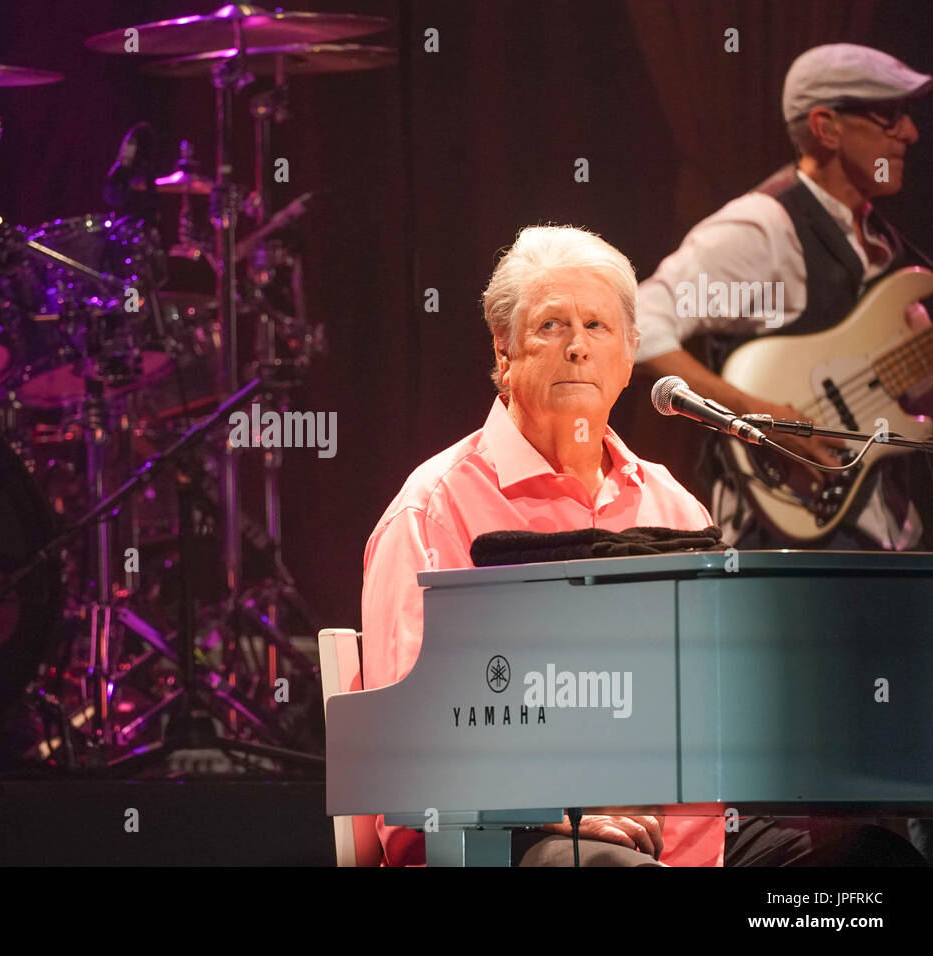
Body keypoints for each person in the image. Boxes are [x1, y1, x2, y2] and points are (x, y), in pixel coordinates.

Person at [361, 224, 925, 867]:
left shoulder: (675, 507)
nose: (577, 347)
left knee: (872, 865)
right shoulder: (433, 509)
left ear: (629, 356)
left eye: (597, 327)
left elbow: (723, 719)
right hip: (520, 842)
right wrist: (562, 808)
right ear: (504, 348)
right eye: (551, 326)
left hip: (701, 846)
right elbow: (409, 762)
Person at [635, 43, 933, 552]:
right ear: (826, 126)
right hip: (784, 532)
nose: (910, 133)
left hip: (885, 526)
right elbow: (639, 323)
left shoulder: (885, 241)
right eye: (889, 115)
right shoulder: (764, 226)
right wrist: (760, 419)